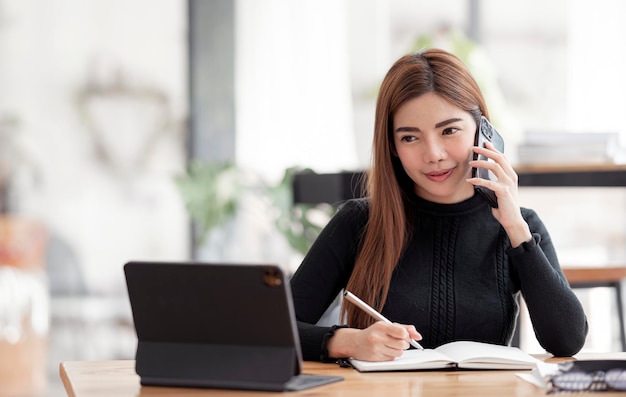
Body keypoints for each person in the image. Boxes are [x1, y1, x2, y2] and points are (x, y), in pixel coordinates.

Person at [289, 48, 588, 363]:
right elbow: (277, 331)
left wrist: (516, 229)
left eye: (449, 131)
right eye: (410, 138)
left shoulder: (518, 226)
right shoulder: (359, 221)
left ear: (483, 131)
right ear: (391, 145)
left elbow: (566, 341)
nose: (433, 154)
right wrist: (346, 342)